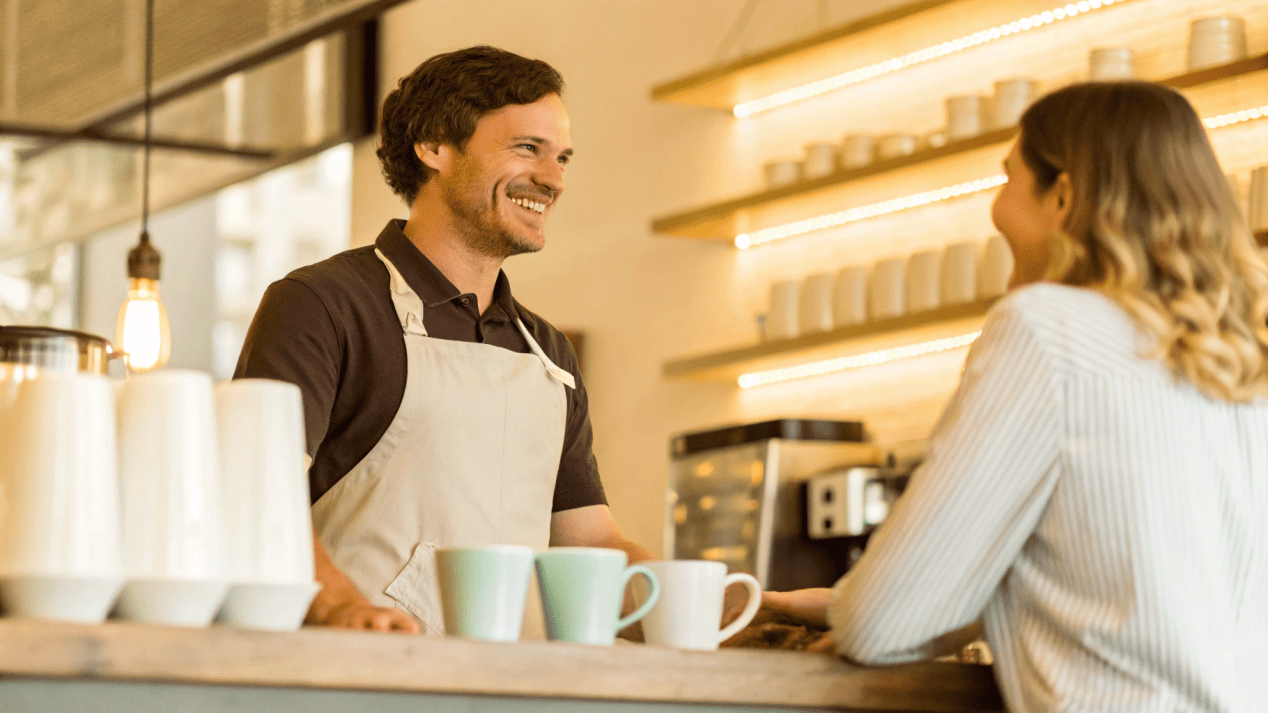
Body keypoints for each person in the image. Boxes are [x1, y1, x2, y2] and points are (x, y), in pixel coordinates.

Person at [750, 82, 1268, 711]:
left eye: (1007, 180)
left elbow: (882, 627)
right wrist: (841, 601)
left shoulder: (1047, 326)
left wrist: (859, 609)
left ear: (1065, 195)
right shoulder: (1242, 353)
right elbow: (1152, 598)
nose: (995, 207)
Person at [235, 45, 653, 635]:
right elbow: (257, 492)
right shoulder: (322, 304)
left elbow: (589, 542)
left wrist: (722, 607)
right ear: (433, 146)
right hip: (364, 680)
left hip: (519, 690)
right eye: (527, 148)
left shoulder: (548, 354)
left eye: (562, 157)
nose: (554, 179)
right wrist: (342, 611)